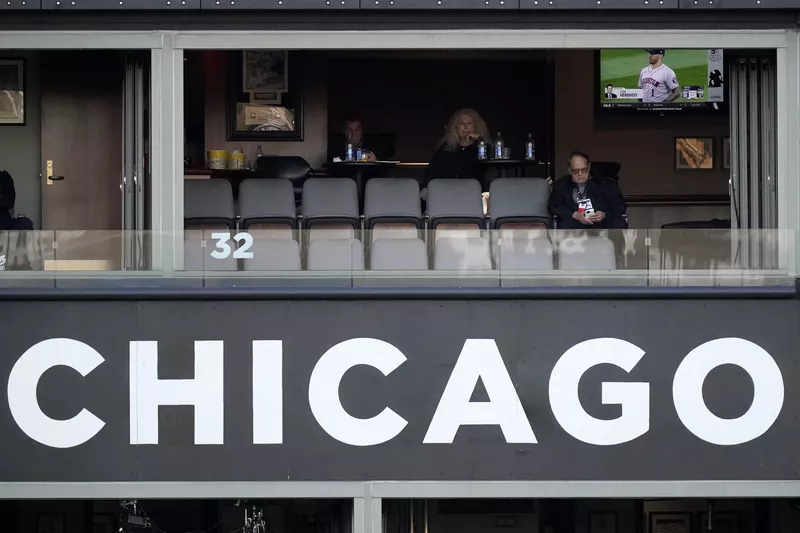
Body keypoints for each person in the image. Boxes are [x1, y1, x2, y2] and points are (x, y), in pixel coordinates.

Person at [548, 152, 627, 230]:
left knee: (618, 223)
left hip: (602, 223)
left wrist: (604, 214)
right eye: (575, 171)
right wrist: (574, 214)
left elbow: (620, 206)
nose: (580, 174)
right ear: (569, 170)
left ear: (589, 167)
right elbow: (553, 206)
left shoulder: (606, 184)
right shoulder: (562, 185)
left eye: (584, 170)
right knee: (564, 224)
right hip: (575, 223)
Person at [425, 108, 492, 188]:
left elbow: (480, 169)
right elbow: (431, 172)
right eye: (461, 123)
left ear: (476, 126)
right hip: (446, 190)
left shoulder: (482, 147)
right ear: (456, 127)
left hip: (472, 191)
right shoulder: (446, 148)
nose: (465, 127)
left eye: (469, 123)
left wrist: (479, 140)